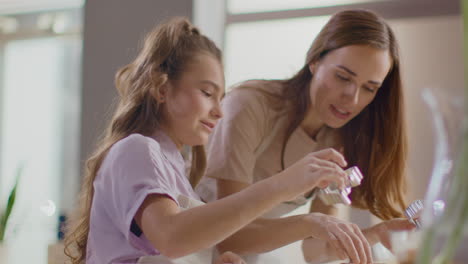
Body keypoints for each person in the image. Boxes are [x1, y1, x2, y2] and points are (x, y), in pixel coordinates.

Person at [63, 17, 359, 264]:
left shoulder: (174, 172)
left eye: (221, 98)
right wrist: (284, 184)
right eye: (207, 93)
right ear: (161, 87)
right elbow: (172, 237)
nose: (218, 112)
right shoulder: (136, 149)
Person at [196, 9, 415, 263]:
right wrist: (311, 222)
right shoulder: (249, 106)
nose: (352, 99)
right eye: (343, 77)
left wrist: (377, 232)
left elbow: (316, 252)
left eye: (369, 88)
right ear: (314, 61)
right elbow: (228, 233)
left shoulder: (339, 141)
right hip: (182, 250)